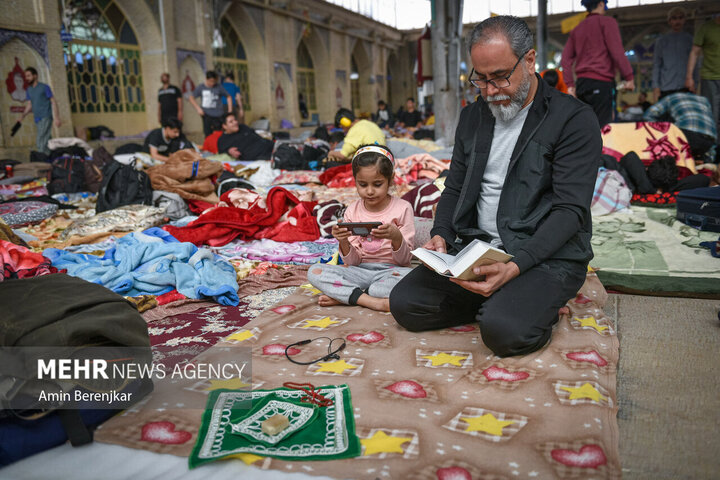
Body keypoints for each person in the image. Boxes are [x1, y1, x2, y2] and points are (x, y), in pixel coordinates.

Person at [389, 16, 600, 357]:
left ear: (529, 61)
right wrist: (441, 233)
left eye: (500, 77)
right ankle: (503, 299)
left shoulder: (573, 119)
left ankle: (515, 304)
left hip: (544, 256)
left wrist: (515, 267)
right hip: (478, 251)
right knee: (405, 304)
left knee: (504, 333)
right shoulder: (474, 117)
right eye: (481, 79)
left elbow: (569, 211)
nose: (490, 91)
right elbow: (454, 188)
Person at [307, 145, 414, 312]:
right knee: (315, 271)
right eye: (362, 184)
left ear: (391, 179)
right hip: (359, 271)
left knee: (415, 277)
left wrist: (396, 237)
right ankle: (372, 301)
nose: (370, 191)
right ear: (355, 180)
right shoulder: (352, 210)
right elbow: (352, 262)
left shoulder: (403, 208)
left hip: (392, 272)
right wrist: (343, 241)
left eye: (377, 184)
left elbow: (404, 261)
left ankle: (348, 296)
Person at [561, 0, 634, 127]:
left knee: (586, 128)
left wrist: (570, 85)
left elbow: (565, 59)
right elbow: (616, 51)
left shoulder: (577, 29)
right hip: (602, 83)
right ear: (601, 3)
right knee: (604, 129)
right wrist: (629, 77)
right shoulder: (607, 22)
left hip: (582, 85)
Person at [643, 92, 717, 160]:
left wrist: (660, 129)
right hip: (709, 139)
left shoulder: (670, 97)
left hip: (687, 133)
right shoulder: (704, 99)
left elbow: (648, 115)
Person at [685, 14, 720, 139]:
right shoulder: (706, 28)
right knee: (712, 117)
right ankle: (712, 151)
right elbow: (694, 53)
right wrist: (689, 77)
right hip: (709, 77)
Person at [652, 7, 694, 102]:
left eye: (680, 18)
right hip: (666, 87)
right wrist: (656, 87)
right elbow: (657, 65)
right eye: (674, 18)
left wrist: (695, 82)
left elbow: (695, 63)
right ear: (669, 21)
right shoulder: (661, 41)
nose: (677, 21)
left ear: (684, 20)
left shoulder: (690, 40)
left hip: (686, 86)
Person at [17, 67, 61, 155]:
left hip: (46, 116)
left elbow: (53, 102)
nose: (27, 78)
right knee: (46, 140)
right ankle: (51, 159)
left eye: (29, 76)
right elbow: (30, 105)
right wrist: (22, 116)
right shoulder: (29, 90)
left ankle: (42, 161)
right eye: (26, 76)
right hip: (37, 118)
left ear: (35, 76)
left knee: (40, 141)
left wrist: (56, 118)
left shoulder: (44, 87)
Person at [188, 71, 232, 136]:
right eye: (210, 81)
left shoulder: (218, 87)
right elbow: (191, 98)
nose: (212, 83)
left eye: (214, 81)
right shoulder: (201, 87)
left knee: (220, 133)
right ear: (206, 79)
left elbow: (228, 97)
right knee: (208, 133)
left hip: (219, 114)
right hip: (207, 114)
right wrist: (198, 109)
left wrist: (229, 110)